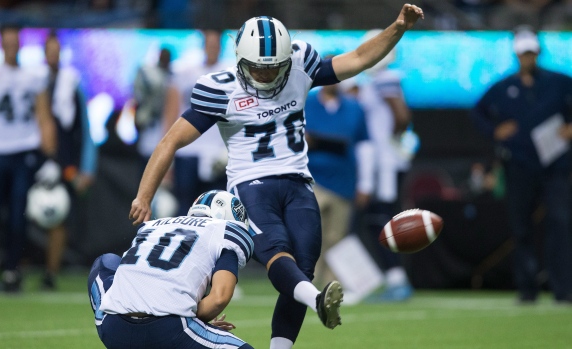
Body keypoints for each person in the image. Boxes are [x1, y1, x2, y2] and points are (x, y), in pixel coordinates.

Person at [130, 6, 424, 348]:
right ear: (240, 59)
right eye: (258, 67)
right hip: (251, 186)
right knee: (276, 253)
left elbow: (359, 58)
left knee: (303, 268)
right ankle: (317, 300)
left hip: (299, 181)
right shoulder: (220, 88)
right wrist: (143, 195)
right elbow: (171, 141)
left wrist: (399, 27)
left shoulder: (300, 63)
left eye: (274, 67)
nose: (267, 75)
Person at [470, 27, 572, 304]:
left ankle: (563, 288)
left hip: (555, 165)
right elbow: (478, 112)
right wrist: (495, 131)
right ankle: (527, 289)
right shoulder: (503, 87)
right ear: (517, 54)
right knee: (520, 227)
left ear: (537, 53)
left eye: (531, 52)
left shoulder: (559, 82)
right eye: (523, 53)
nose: (527, 58)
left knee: (560, 224)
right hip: (518, 164)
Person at [89, 190, 254, 349]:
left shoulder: (152, 226)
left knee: (106, 262)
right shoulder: (225, 232)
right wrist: (198, 323)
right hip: (167, 331)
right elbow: (219, 298)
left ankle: (104, 313)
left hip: (113, 329)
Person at [0, 25, 59, 292]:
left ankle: (10, 270)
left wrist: (50, 157)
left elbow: (44, 118)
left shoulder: (33, 77)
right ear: (1, 43)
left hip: (24, 153)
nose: (12, 47)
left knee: (19, 218)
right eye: (8, 42)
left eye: (15, 42)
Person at [349, 30, 416, 302]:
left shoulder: (386, 79)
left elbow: (401, 115)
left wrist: (391, 140)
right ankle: (392, 277)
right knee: (377, 220)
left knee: (380, 220)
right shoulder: (374, 81)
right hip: (381, 161)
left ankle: (396, 278)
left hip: (384, 164)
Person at [39, 30, 98, 290]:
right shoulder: (35, 81)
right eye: (48, 51)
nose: (52, 56)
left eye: (56, 51)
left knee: (58, 214)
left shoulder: (71, 83)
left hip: (65, 162)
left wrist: (86, 167)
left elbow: (84, 128)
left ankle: (50, 272)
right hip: (34, 158)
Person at [304, 79, 371, 288]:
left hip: (343, 181)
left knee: (336, 238)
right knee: (312, 236)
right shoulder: (305, 103)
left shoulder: (354, 107)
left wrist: (366, 183)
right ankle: (307, 284)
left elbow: (364, 145)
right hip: (311, 179)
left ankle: (331, 286)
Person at [166, 29, 230, 216]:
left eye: (215, 45)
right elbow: (171, 113)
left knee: (217, 210)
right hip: (188, 150)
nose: (212, 49)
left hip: (218, 152)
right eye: (209, 45)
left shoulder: (229, 73)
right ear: (203, 46)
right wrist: (168, 158)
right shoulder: (185, 72)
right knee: (184, 208)